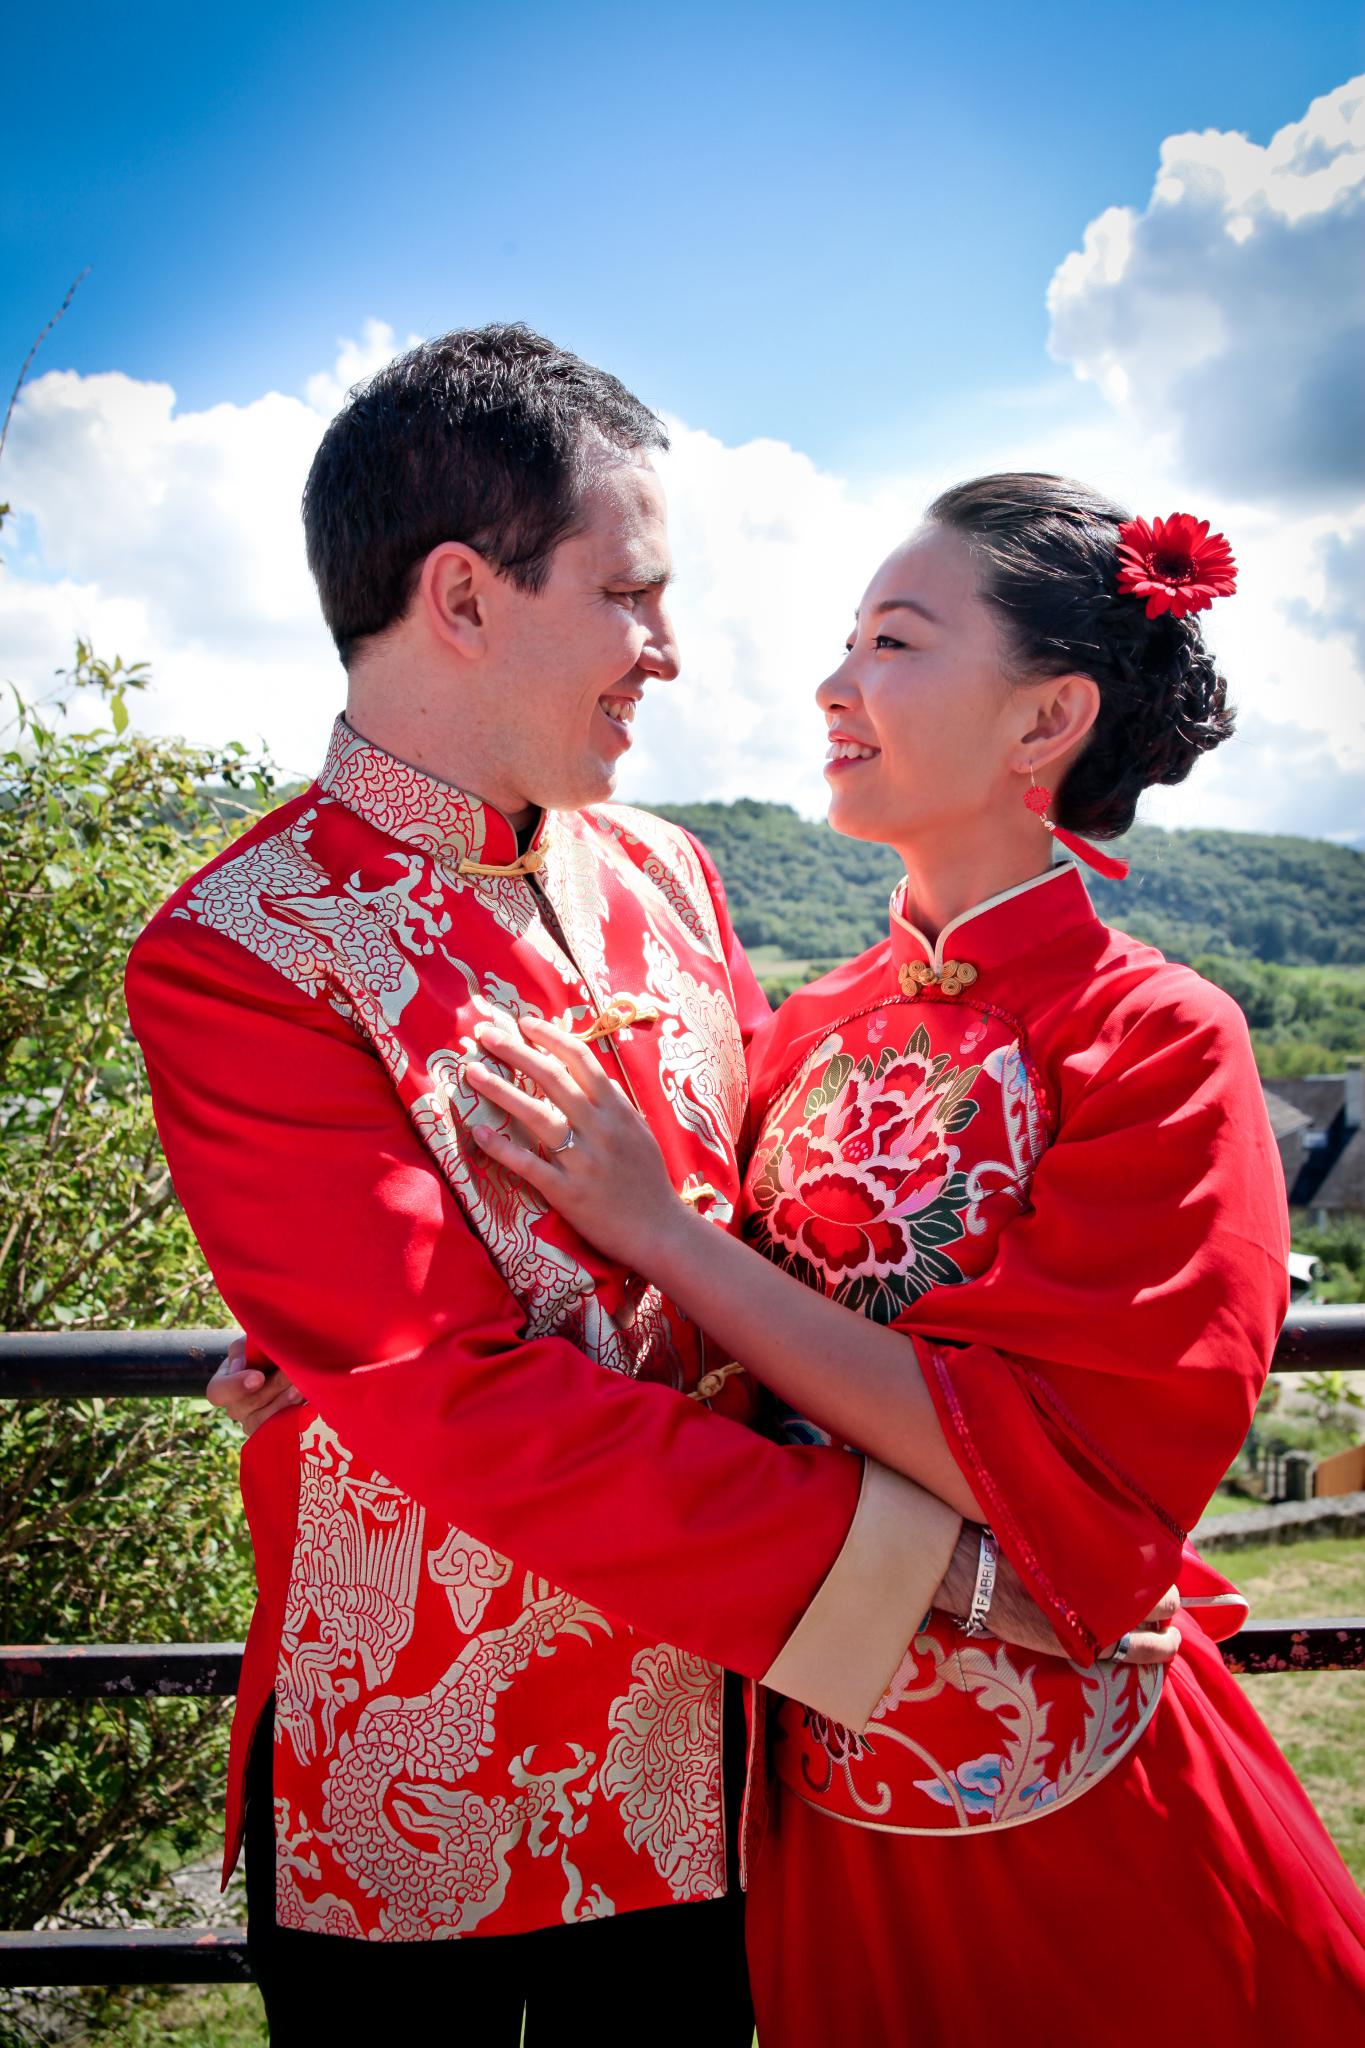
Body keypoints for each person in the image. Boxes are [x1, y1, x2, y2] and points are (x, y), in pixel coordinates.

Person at [127, 336, 1175, 2045]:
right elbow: (448, 1391)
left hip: (714, 1770)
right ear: (462, 596)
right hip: (419, 1786)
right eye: (628, 595)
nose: (668, 651)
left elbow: (785, 1244)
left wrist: (1050, 1476)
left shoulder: (671, 877)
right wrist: (928, 1568)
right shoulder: (242, 950)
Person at [453, 476, 1365, 2042]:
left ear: (1044, 719)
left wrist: (664, 1233)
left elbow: (1062, 1460)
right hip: (810, 1786)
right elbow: (661, 1326)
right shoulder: (801, 1027)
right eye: (847, 640)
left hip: (1065, 1794)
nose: (832, 685)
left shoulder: (1157, 1042)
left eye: (891, 642)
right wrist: (363, 1350)